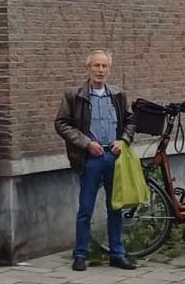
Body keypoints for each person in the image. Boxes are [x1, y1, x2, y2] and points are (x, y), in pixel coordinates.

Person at [55, 48, 137, 272]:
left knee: (115, 207)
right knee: (86, 207)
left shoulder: (118, 95)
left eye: (104, 66)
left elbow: (131, 121)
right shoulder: (75, 95)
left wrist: (123, 140)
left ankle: (117, 254)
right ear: (88, 68)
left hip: (114, 156)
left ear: (109, 69)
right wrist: (86, 143)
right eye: (96, 65)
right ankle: (80, 254)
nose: (100, 70)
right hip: (90, 158)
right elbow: (61, 124)